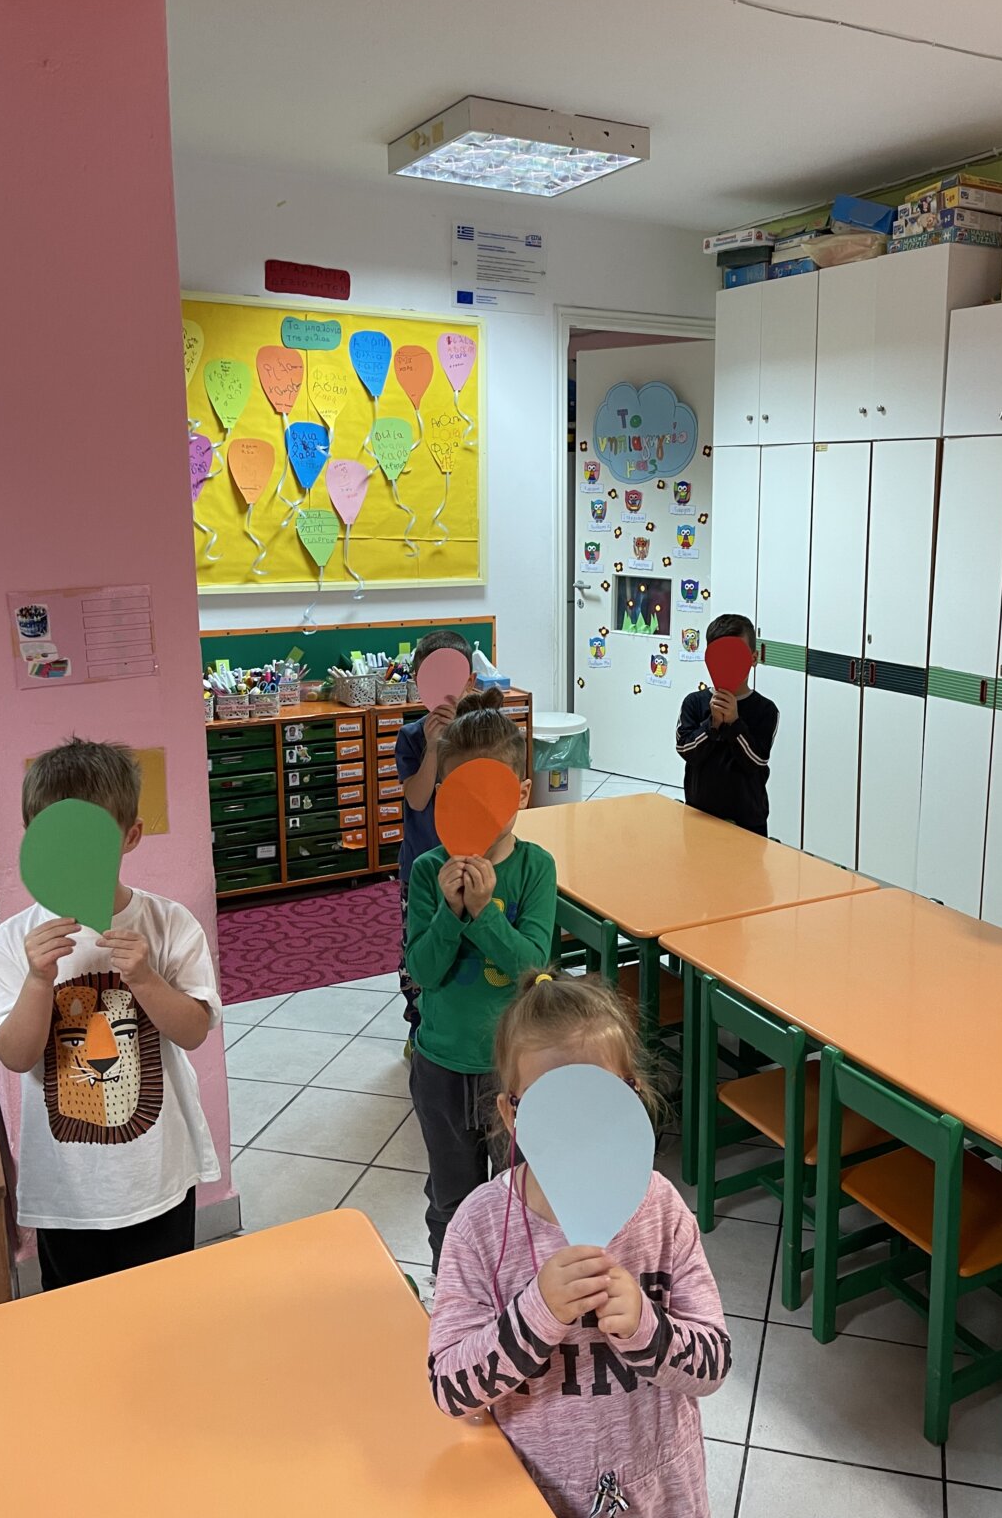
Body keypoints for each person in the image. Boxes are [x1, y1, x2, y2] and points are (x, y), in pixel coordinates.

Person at [429, 971, 730, 1518]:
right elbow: (451, 1389)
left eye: (599, 1101)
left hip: (661, 1482)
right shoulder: (479, 1227)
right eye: (554, 1106)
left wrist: (646, 1327)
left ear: (632, 1095)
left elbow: (712, 1366)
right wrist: (536, 1313)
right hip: (535, 1489)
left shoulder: (662, 1210)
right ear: (512, 1113)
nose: (580, 1128)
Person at [0, 738, 221, 1290]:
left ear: (130, 836)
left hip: (158, 1177)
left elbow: (193, 1032)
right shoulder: (10, 944)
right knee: (78, 1318)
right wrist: (37, 981)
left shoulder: (169, 924)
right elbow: (15, 1057)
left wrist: (147, 979)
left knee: (165, 1307)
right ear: (31, 838)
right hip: (66, 1191)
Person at [406, 696, 556, 1268]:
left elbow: (532, 968)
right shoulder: (429, 871)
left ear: (521, 793)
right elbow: (423, 972)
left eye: (488, 793)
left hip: (514, 1069)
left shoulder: (536, 868)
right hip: (441, 1066)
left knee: (522, 1199)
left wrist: (485, 912)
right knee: (451, 1201)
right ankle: (455, 1294)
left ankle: (521, 1292)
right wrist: (450, 912)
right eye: (458, 795)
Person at [395, 629, 474, 1045]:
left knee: (469, 948)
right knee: (421, 951)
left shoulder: (482, 735)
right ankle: (419, 1029)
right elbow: (417, 797)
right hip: (422, 868)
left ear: (470, 682)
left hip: (473, 863)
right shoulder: (411, 736)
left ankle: (462, 1026)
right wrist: (433, 746)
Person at [675, 612, 779, 837]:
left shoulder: (766, 710)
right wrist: (712, 725)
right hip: (699, 815)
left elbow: (757, 761)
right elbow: (685, 750)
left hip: (748, 822)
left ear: (753, 658)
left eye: (736, 655)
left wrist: (734, 723)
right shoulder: (693, 703)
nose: (728, 663)